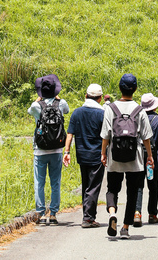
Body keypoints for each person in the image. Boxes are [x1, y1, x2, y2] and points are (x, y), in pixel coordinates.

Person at [101, 73, 154, 239]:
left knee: (112, 189)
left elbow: (106, 136)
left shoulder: (110, 109)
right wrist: (149, 157)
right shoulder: (140, 110)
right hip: (135, 158)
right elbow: (146, 138)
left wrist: (103, 153)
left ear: (119, 88)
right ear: (135, 89)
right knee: (133, 192)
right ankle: (125, 228)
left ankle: (112, 213)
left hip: (114, 156)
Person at [28, 74, 69, 224]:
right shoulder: (62, 103)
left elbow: (29, 111)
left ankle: (40, 213)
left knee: (39, 181)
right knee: (55, 182)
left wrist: (37, 100)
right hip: (57, 149)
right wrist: (57, 99)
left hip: (40, 149)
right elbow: (67, 111)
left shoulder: (36, 106)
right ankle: (53, 214)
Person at [64, 83, 106, 227]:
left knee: (86, 185)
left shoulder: (77, 112)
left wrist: (67, 152)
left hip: (82, 154)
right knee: (93, 186)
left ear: (86, 96)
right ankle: (88, 218)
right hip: (97, 155)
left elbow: (70, 133)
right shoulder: (102, 113)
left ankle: (87, 216)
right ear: (100, 98)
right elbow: (106, 136)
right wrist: (105, 153)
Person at [134, 92, 158, 226]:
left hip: (139, 156)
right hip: (154, 157)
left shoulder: (136, 119)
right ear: (155, 106)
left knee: (138, 185)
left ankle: (137, 212)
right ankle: (152, 214)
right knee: (153, 186)